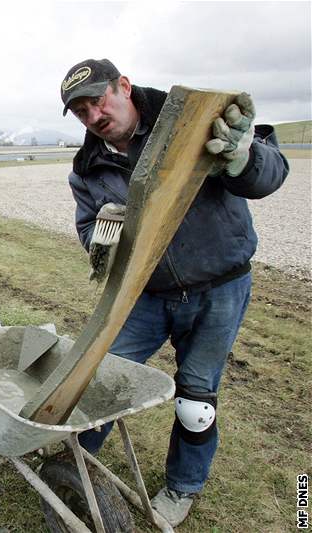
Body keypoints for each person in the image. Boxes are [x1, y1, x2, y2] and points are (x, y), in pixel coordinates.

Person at [60, 58, 288, 526]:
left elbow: (269, 176)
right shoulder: (87, 168)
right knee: (103, 380)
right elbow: (87, 228)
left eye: (98, 100)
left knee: (196, 402)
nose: (93, 116)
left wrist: (244, 156)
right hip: (142, 293)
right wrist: (101, 239)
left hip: (218, 289)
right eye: (81, 112)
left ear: (123, 86)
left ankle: (182, 487)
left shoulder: (191, 120)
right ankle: (73, 461)